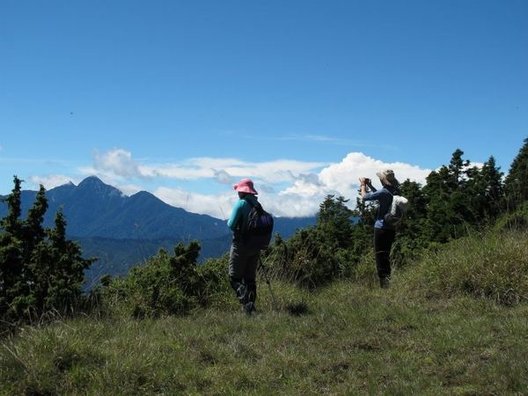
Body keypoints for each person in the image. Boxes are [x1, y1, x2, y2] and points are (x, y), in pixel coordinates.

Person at [359, 169, 400, 288]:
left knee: (380, 256)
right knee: (385, 256)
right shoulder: (394, 191)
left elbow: (365, 197)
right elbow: (381, 196)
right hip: (391, 228)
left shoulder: (384, 192)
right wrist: (371, 186)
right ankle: (387, 281)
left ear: (383, 180)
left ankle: (384, 286)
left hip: (381, 228)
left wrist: (363, 185)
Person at [227, 178, 261, 314]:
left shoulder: (241, 204)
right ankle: (251, 306)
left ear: (242, 191)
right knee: (250, 278)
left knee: (234, 278)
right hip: (255, 245)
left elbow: (231, 224)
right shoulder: (257, 204)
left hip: (241, 245)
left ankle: (246, 304)